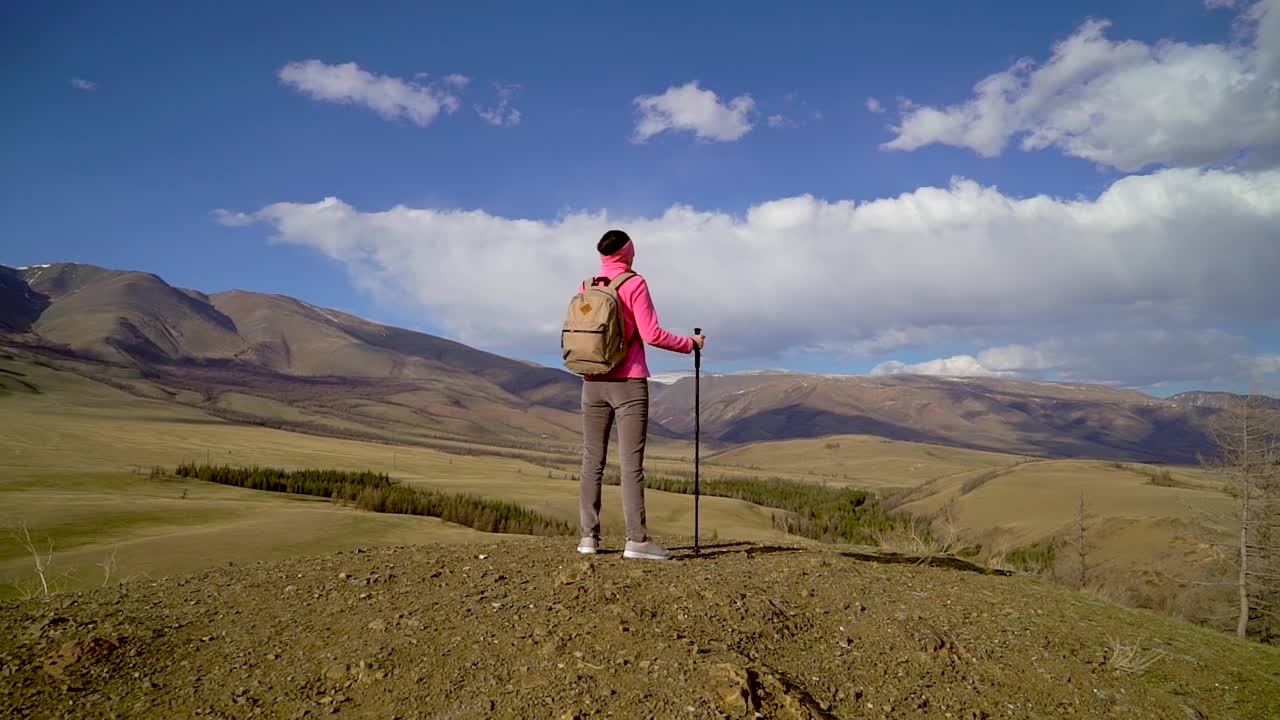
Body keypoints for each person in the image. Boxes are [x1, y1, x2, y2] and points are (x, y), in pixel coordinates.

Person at [577, 229, 705, 560]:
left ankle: (588, 538)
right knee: (631, 464)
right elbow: (651, 334)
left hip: (591, 380)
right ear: (628, 253)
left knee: (593, 460)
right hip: (628, 382)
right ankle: (637, 540)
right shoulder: (634, 283)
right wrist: (689, 344)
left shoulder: (587, 285)